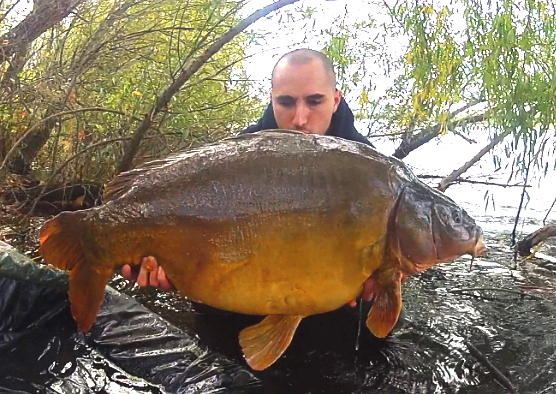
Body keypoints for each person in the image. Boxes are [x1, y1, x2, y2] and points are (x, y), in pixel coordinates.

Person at [121, 48, 375, 307]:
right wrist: (178, 272)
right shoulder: (238, 156)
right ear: (271, 99)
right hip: (239, 305)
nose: (300, 119)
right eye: (286, 102)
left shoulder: (371, 170)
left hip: (335, 313)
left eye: (314, 101)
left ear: (335, 100)